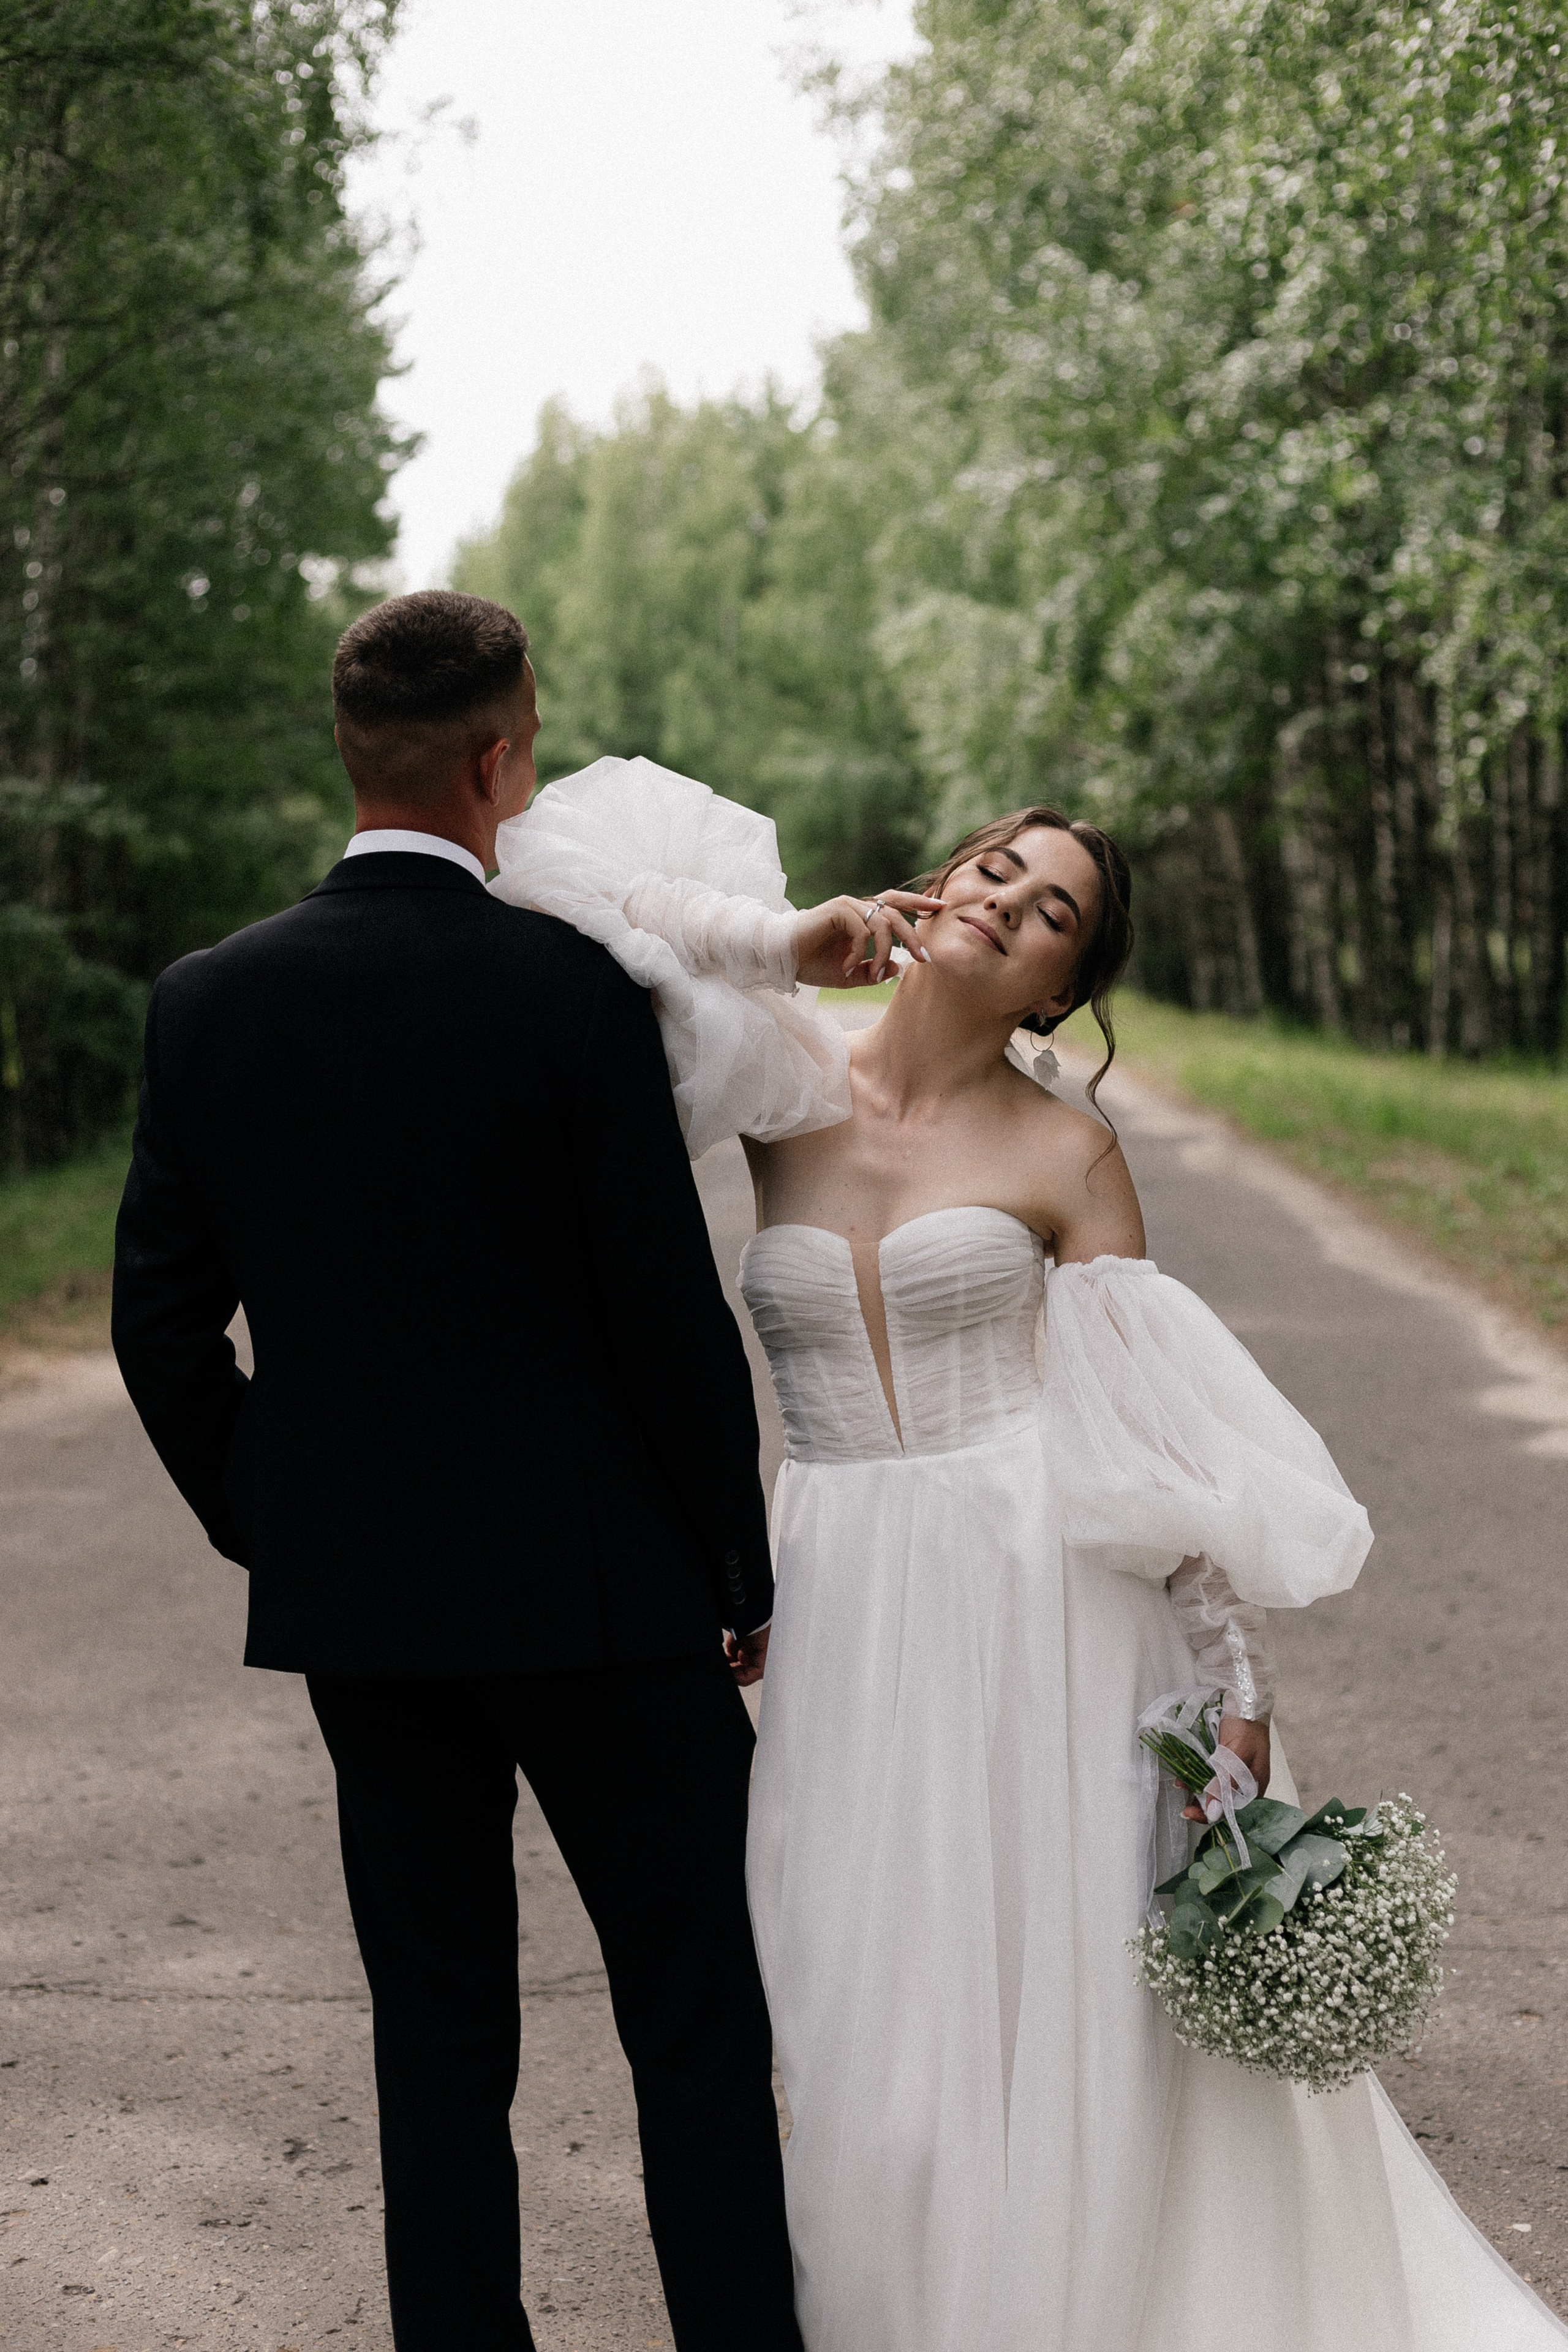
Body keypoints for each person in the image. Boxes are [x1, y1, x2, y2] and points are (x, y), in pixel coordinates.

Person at [497, 755, 1568, 2352]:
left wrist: (1235, 1688)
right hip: (846, 1606)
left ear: (1066, 982)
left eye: (1050, 906)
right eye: (997, 865)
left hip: (1046, 1604)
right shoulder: (777, 1076)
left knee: (1052, 2006)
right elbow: (554, 865)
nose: (1004, 899)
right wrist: (785, 936)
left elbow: (1152, 1432)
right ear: (946, 877)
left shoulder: (1068, 1154)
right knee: (858, 2001)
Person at [110, 591, 805, 2352]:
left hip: (372, 1618)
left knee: (436, 2045)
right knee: (699, 2025)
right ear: (500, 761)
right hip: (614, 1606)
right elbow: (666, 1318)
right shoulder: (569, 988)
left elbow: (161, 1333)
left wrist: (286, 1519)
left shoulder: (207, 1004)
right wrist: (737, 1568)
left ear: (352, 758)